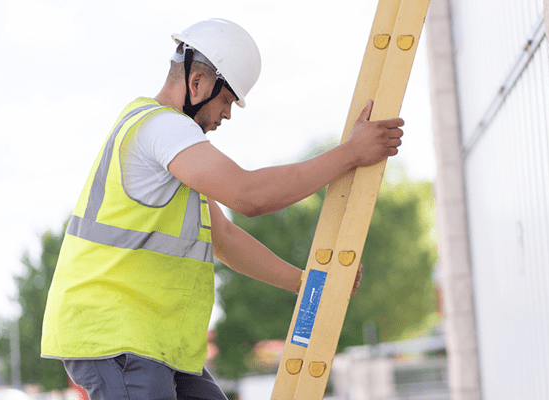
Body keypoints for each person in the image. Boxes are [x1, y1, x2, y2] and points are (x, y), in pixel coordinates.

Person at [40, 18, 404, 400]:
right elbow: (250, 195)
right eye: (227, 100)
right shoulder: (162, 128)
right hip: (116, 338)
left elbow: (225, 239)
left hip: (156, 343)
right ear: (198, 83)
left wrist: (305, 283)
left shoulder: (173, 155)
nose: (227, 114)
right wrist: (350, 154)